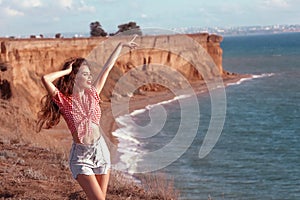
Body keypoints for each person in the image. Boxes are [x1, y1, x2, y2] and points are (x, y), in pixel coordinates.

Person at [37, 36, 138, 200]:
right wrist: (66, 71)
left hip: (101, 153)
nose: (90, 77)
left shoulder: (94, 93)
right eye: (85, 74)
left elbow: (107, 68)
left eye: (90, 74)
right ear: (75, 77)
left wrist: (120, 45)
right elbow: (45, 79)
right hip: (81, 157)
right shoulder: (64, 101)